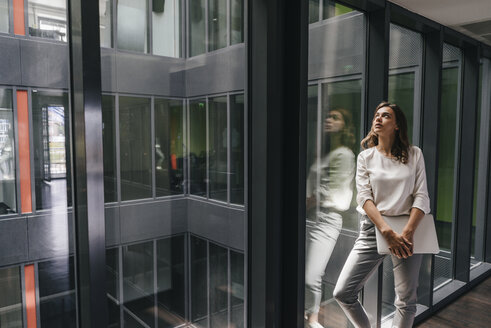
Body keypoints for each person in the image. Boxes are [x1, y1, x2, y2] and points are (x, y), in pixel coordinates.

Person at [333, 102, 430, 328]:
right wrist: (386, 231)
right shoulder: (365, 157)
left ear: (396, 125)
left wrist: (406, 232)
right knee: (343, 292)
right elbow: (364, 198)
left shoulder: (414, 154)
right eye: (376, 115)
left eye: (385, 116)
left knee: (406, 302)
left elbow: (422, 196)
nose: (378, 119)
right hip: (373, 229)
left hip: (408, 231)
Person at [305, 108, 356, 328]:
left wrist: (306, 204)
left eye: (335, 118)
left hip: (326, 220)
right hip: (311, 218)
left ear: (345, 125)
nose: (328, 119)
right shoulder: (328, 153)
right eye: (327, 116)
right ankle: (307, 316)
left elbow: (331, 192)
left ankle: (313, 321)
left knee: (311, 276)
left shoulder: (344, 154)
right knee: (304, 274)